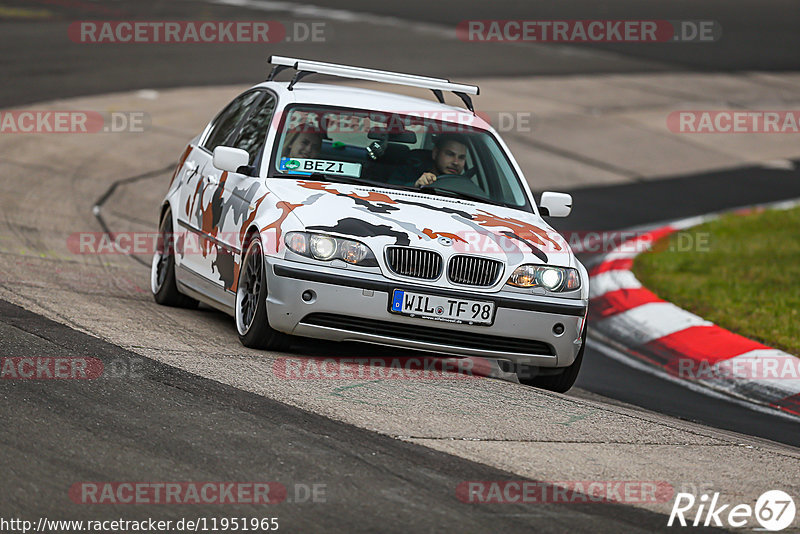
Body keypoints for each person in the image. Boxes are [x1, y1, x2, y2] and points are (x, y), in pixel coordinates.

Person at [396, 133, 469, 187]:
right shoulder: (407, 172)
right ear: (435, 153)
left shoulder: (466, 187)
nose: (456, 162)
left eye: (461, 157)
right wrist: (415, 185)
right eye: (450, 154)